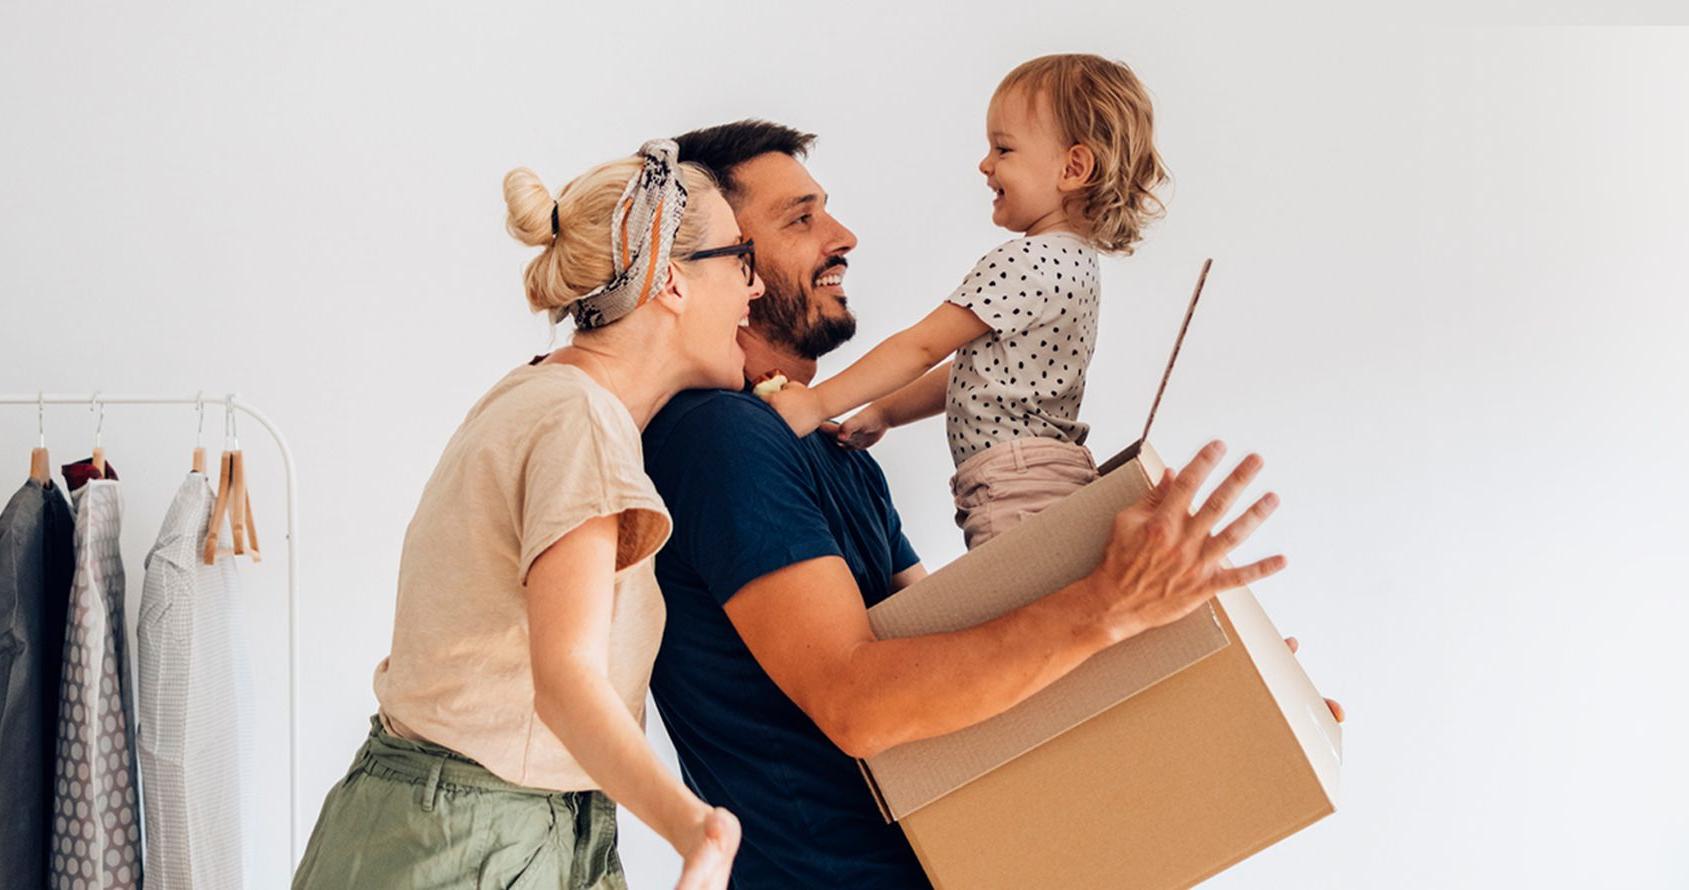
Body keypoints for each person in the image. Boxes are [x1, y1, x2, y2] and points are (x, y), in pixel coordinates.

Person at [643, 120, 1331, 888]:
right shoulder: (719, 438)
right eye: (800, 220)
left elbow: (966, 658)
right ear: (717, 266)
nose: (843, 237)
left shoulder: (832, 450)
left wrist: (1203, 686)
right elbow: (857, 703)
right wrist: (1109, 604)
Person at [292, 140, 754, 890]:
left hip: (457, 825)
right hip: (469, 838)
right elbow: (566, 679)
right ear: (671, 280)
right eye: (743, 258)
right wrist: (695, 828)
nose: (755, 288)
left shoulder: (540, 396)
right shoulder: (579, 421)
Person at [756, 53, 1169, 548]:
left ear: (1073, 168)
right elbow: (977, 371)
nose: (985, 164)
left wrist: (816, 402)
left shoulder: (1025, 261)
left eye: (1004, 148)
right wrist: (886, 412)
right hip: (1052, 477)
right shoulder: (1076, 264)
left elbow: (922, 347)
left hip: (1014, 487)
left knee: (1012, 612)